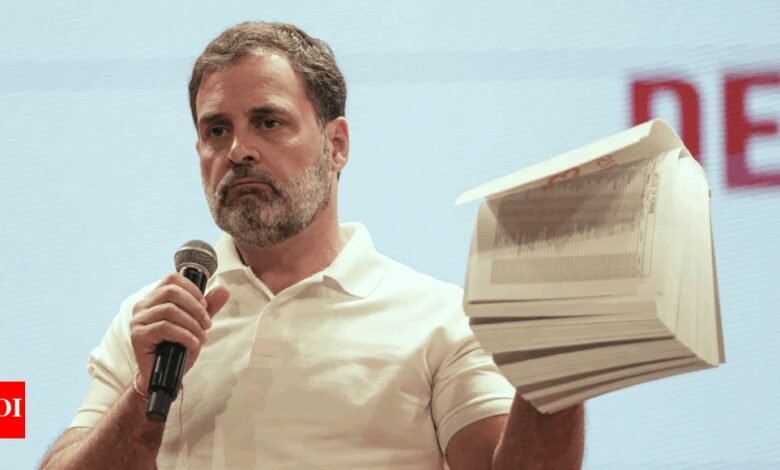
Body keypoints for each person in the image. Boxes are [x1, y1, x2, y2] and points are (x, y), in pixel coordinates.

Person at [40, 22, 584, 469]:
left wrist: (561, 359)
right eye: (216, 131)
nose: (239, 150)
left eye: (268, 122)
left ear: (336, 144)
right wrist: (142, 399)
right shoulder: (157, 322)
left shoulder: (438, 319)